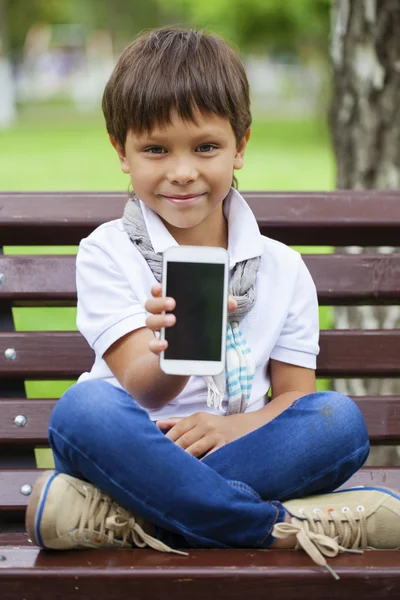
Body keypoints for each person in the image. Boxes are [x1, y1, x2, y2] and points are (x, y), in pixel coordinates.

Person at [25, 27, 400, 580]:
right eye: (156, 149)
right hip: (129, 452)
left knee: (337, 420)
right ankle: (271, 528)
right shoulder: (106, 251)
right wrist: (178, 341)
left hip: (236, 454)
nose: (182, 171)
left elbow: (294, 402)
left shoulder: (282, 268)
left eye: (205, 147)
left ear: (240, 145)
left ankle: (132, 519)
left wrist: (232, 429)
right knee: (83, 412)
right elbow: (140, 387)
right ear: (121, 152)